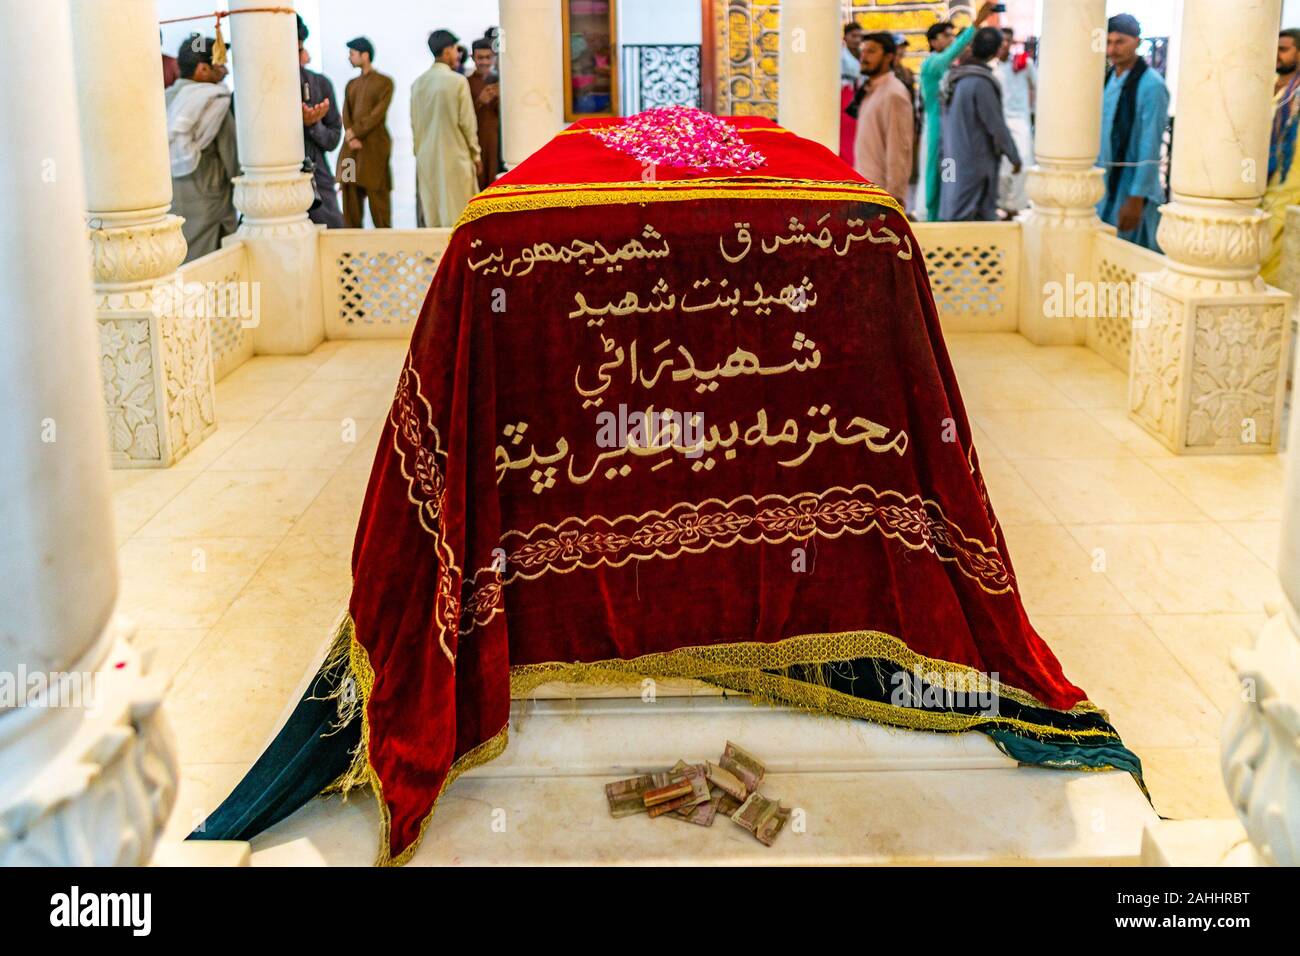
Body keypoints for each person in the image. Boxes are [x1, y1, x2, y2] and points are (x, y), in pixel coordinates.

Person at [918, 1, 996, 221]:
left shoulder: (949, 67)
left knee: (948, 175)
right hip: (936, 131)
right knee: (935, 175)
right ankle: (932, 218)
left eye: (952, 35)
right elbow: (952, 53)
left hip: (949, 133)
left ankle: (946, 215)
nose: (951, 39)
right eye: (946, 35)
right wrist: (976, 24)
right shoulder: (932, 64)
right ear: (933, 42)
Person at [1097, 14, 1169, 251]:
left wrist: (1136, 197)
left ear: (1137, 42)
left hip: (1132, 190)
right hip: (1104, 186)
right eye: (1108, 42)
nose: (1112, 49)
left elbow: (1150, 144)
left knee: (1130, 260)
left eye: (1120, 42)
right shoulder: (1107, 80)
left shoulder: (1152, 85)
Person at [166, 35, 239, 262]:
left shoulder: (161, 99)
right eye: (220, 65)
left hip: (169, 204)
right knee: (212, 273)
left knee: (181, 269)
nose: (225, 72)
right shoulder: (214, 102)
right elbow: (233, 161)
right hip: (211, 204)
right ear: (203, 69)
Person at [938, 26, 1021, 222]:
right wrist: (1014, 156)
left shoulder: (953, 78)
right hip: (973, 162)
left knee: (951, 202)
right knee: (971, 214)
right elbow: (996, 126)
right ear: (995, 51)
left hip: (950, 159)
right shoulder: (980, 82)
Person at [411, 29, 481, 228]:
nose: (457, 55)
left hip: (427, 159)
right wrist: (476, 155)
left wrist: (420, 154)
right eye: (455, 50)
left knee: (434, 219)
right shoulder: (457, 81)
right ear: (448, 50)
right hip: (455, 159)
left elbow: (415, 125)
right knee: (459, 220)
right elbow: (467, 123)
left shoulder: (418, 84)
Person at [337, 37, 394, 228]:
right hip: (350, 152)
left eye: (352, 54)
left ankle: (385, 245)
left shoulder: (385, 82)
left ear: (365, 55)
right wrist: (350, 135)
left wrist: (356, 133)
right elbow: (345, 113)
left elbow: (377, 114)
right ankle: (350, 245)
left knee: (378, 195)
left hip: (374, 149)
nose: (349, 58)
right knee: (348, 191)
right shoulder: (351, 84)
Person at [852, 32, 913, 205]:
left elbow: (899, 148)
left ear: (889, 57)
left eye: (871, 51)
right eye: (863, 51)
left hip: (880, 196)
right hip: (863, 190)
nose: (864, 57)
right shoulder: (869, 91)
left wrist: (895, 196)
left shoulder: (894, 94)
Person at [297, 16, 343, 228]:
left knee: (333, 234)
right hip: (269, 188)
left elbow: (333, 139)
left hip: (317, 178)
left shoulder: (320, 84)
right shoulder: (250, 89)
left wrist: (313, 124)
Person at [1262, 29, 1300, 285]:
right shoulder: (1276, 90)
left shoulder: (1294, 96)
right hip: (1266, 186)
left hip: (1290, 190)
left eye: (1284, 49)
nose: (1277, 55)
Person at [996, 27, 1035, 216]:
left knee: (1023, 164)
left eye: (1008, 40)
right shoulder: (991, 66)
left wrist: (1034, 111)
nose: (1005, 44)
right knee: (1002, 168)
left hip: (1021, 121)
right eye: (1001, 40)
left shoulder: (1023, 63)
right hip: (999, 124)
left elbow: (1038, 86)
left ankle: (1019, 207)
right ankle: (1003, 206)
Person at [468, 38, 501, 191]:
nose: (485, 62)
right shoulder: (465, 83)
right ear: (473, 58)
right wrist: (479, 101)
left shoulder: (501, 81)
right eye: (480, 58)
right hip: (477, 144)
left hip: (498, 146)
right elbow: (461, 116)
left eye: (488, 57)